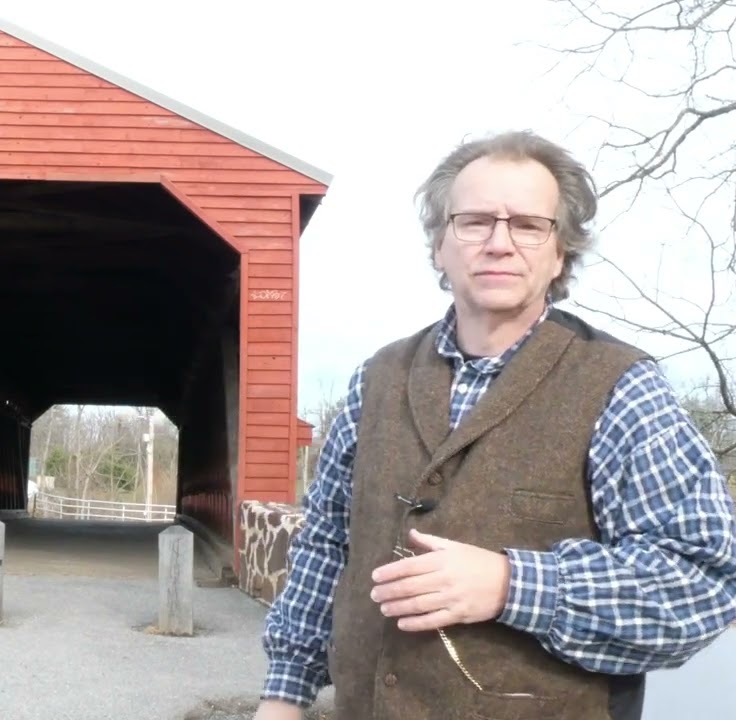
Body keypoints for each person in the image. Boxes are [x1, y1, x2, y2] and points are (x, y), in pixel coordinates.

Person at [254, 130, 736, 720]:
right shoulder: (375, 379)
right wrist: (283, 695)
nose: (499, 244)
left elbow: (700, 581)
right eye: (475, 222)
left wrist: (512, 584)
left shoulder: (621, 387)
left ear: (560, 254)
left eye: (529, 225)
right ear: (440, 244)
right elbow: (326, 545)